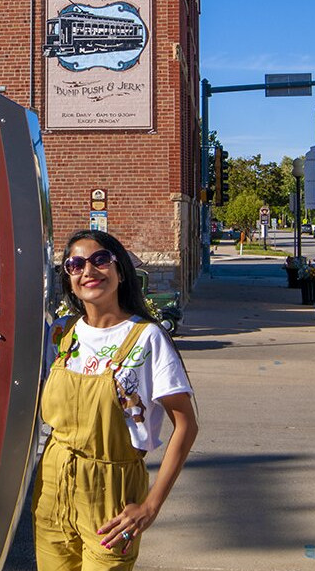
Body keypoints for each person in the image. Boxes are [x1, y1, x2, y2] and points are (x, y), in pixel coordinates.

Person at [32, 229, 198, 570]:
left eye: (100, 260)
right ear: (69, 279)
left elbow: (186, 425)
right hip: (53, 484)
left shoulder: (147, 337)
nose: (88, 271)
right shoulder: (59, 333)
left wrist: (150, 506)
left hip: (113, 492)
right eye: (75, 264)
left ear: (120, 271)